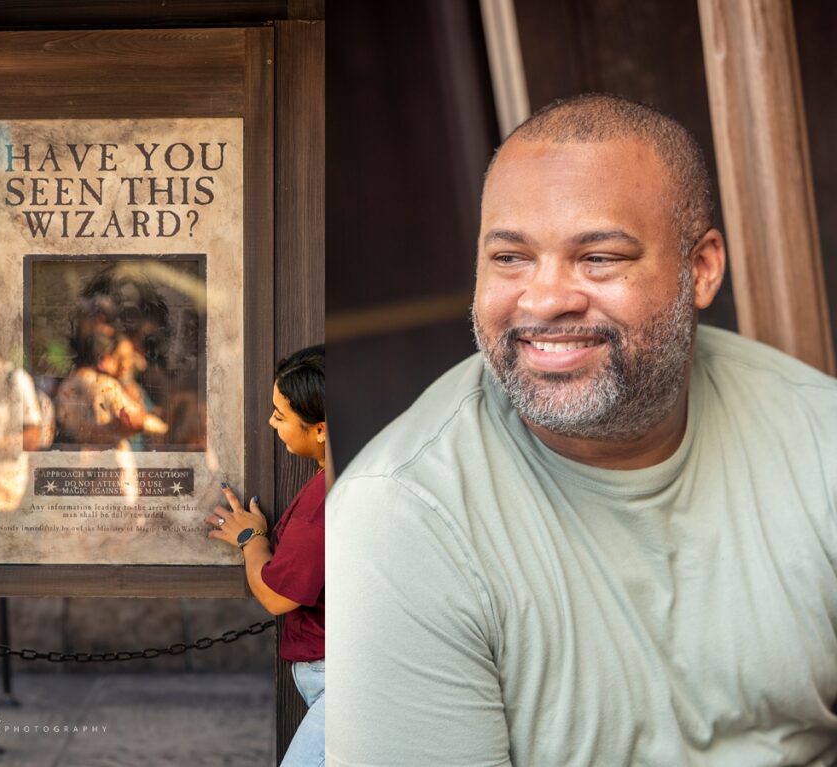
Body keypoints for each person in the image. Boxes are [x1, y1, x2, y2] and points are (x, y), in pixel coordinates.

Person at [326, 94, 837, 766]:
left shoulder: (820, 438)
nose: (544, 300)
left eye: (598, 257)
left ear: (701, 268)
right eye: (510, 258)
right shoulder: (400, 519)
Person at [207, 345, 326, 767]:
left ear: (321, 429)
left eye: (280, 415)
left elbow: (278, 597)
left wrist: (251, 540)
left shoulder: (323, 503)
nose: (271, 423)